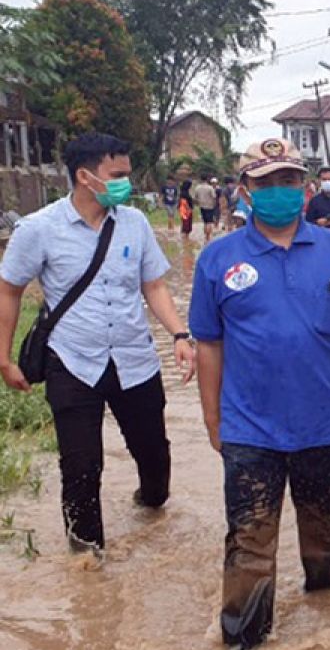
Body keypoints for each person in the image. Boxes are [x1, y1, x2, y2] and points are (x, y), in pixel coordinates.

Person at [189, 137, 330, 650]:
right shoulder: (218, 259)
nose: (280, 190)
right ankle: (246, 647)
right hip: (249, 428)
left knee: (321, 532)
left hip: (323, 423)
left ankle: (323, 603)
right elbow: (208, 346)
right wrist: (213, 420)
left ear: (304, 187)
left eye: (289, 180)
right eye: (266, 182)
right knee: (250, 539)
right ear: (245, 191)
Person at [0, 132, 195, 555]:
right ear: (86, 176)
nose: (127, 183)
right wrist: (3, 359)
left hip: (134, 360)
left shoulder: (134, 223)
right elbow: (9, 291)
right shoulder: (38, 229)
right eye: (118, 175)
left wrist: (180, 335)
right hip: (72, 362)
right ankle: (87, 559)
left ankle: (149, 503)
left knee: (155, 459)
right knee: (81, 469)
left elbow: (155, 286)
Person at [193, 176, 219, 242]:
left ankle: (205, 236)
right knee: (209, 222)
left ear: (200, 179)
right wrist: (214, 205)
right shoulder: (210, 188)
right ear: (207, 180)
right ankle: (208, 237)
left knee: (205, 222)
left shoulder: (197, 187)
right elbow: (214, 197)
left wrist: (197, 203)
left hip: (202, 206)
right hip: (210, 207)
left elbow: (195, 198)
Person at [179, 175, 195, 241]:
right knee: (186, 225)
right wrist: (189, 209)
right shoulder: (184, 193)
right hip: (185, 211)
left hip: (184, 210)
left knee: (186, 224)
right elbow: (184, 202)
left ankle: (186, 238)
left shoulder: (184, 192)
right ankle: (185, 239)